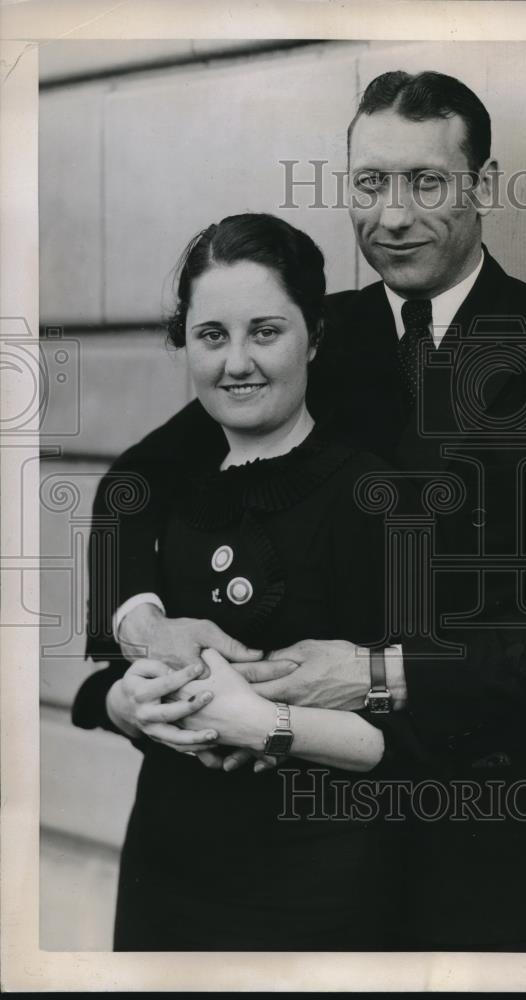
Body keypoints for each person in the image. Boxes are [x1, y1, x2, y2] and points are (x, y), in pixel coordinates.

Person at [78, 71, 526, 952]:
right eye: (371, 184)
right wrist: (145, 621)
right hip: (346, 830)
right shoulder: (309, 337)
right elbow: (132, 488)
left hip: (517, 818)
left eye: (426, 183)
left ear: (481, 188)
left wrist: (382, 670)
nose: (392, 216)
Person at [73, 213, 417, 951]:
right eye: (212, 336)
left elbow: (411, 737)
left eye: (265, 332)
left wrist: (264, 724)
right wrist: (130, 702)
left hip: (318, 884)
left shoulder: (369, 492)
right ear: (186, 344)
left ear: (314, 338)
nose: (237, 362)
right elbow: (105, 687)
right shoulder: (171, 490)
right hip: (168, 869)